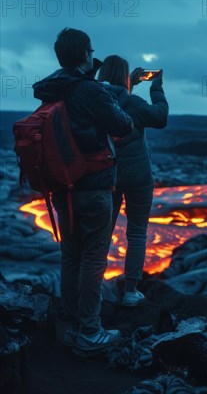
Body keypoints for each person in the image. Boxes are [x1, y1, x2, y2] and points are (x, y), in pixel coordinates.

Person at [32, 28, 133, 351]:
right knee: (93, 258)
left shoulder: (51, 88)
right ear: (84, 54)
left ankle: (72, 320)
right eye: (91, 51)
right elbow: (122, 125)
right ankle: (89, 331)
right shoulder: (90, 91)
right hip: (93, 185)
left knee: (71, 254)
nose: (93, 55)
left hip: (64, 186)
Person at [97, 55, 168, 306]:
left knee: (103, 233)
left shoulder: (95, 100)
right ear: (125, 77)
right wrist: (155, 87)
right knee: (137, 233)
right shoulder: (134, 104)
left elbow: (115, 98)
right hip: (138, 175)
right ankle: (130, 292)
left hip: (109, 174)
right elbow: (160, 117)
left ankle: (94, 288)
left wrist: (130, 85)